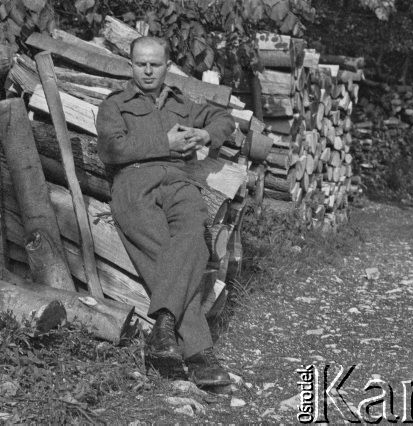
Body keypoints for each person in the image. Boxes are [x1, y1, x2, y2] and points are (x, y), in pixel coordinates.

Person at [96, 36, 235, 388]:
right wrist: (165, 143)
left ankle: (162, 332)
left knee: (194, 234)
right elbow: (111, 149)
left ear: (166, 66)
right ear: (131, 65)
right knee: (163, 251)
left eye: (154, 64)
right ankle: (200, 354)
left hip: (176, 182)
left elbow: (224, 118)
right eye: (140, 63)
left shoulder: (182, 103)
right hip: (133, 184)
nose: (147, 70)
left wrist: (204, 134)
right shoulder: (116, 104)